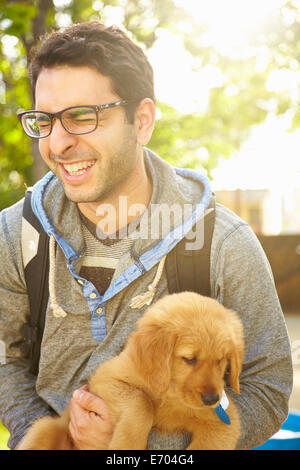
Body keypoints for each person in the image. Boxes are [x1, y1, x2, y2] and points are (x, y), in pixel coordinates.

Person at [0, 21, 293, 450]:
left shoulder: (222, 243)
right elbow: (6, 359)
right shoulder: (16, 235)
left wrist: (142, 449)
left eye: (82, 117)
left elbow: (267, 388)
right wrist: (45, 438)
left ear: (141, 121)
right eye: (44, 120)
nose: (57, 143)